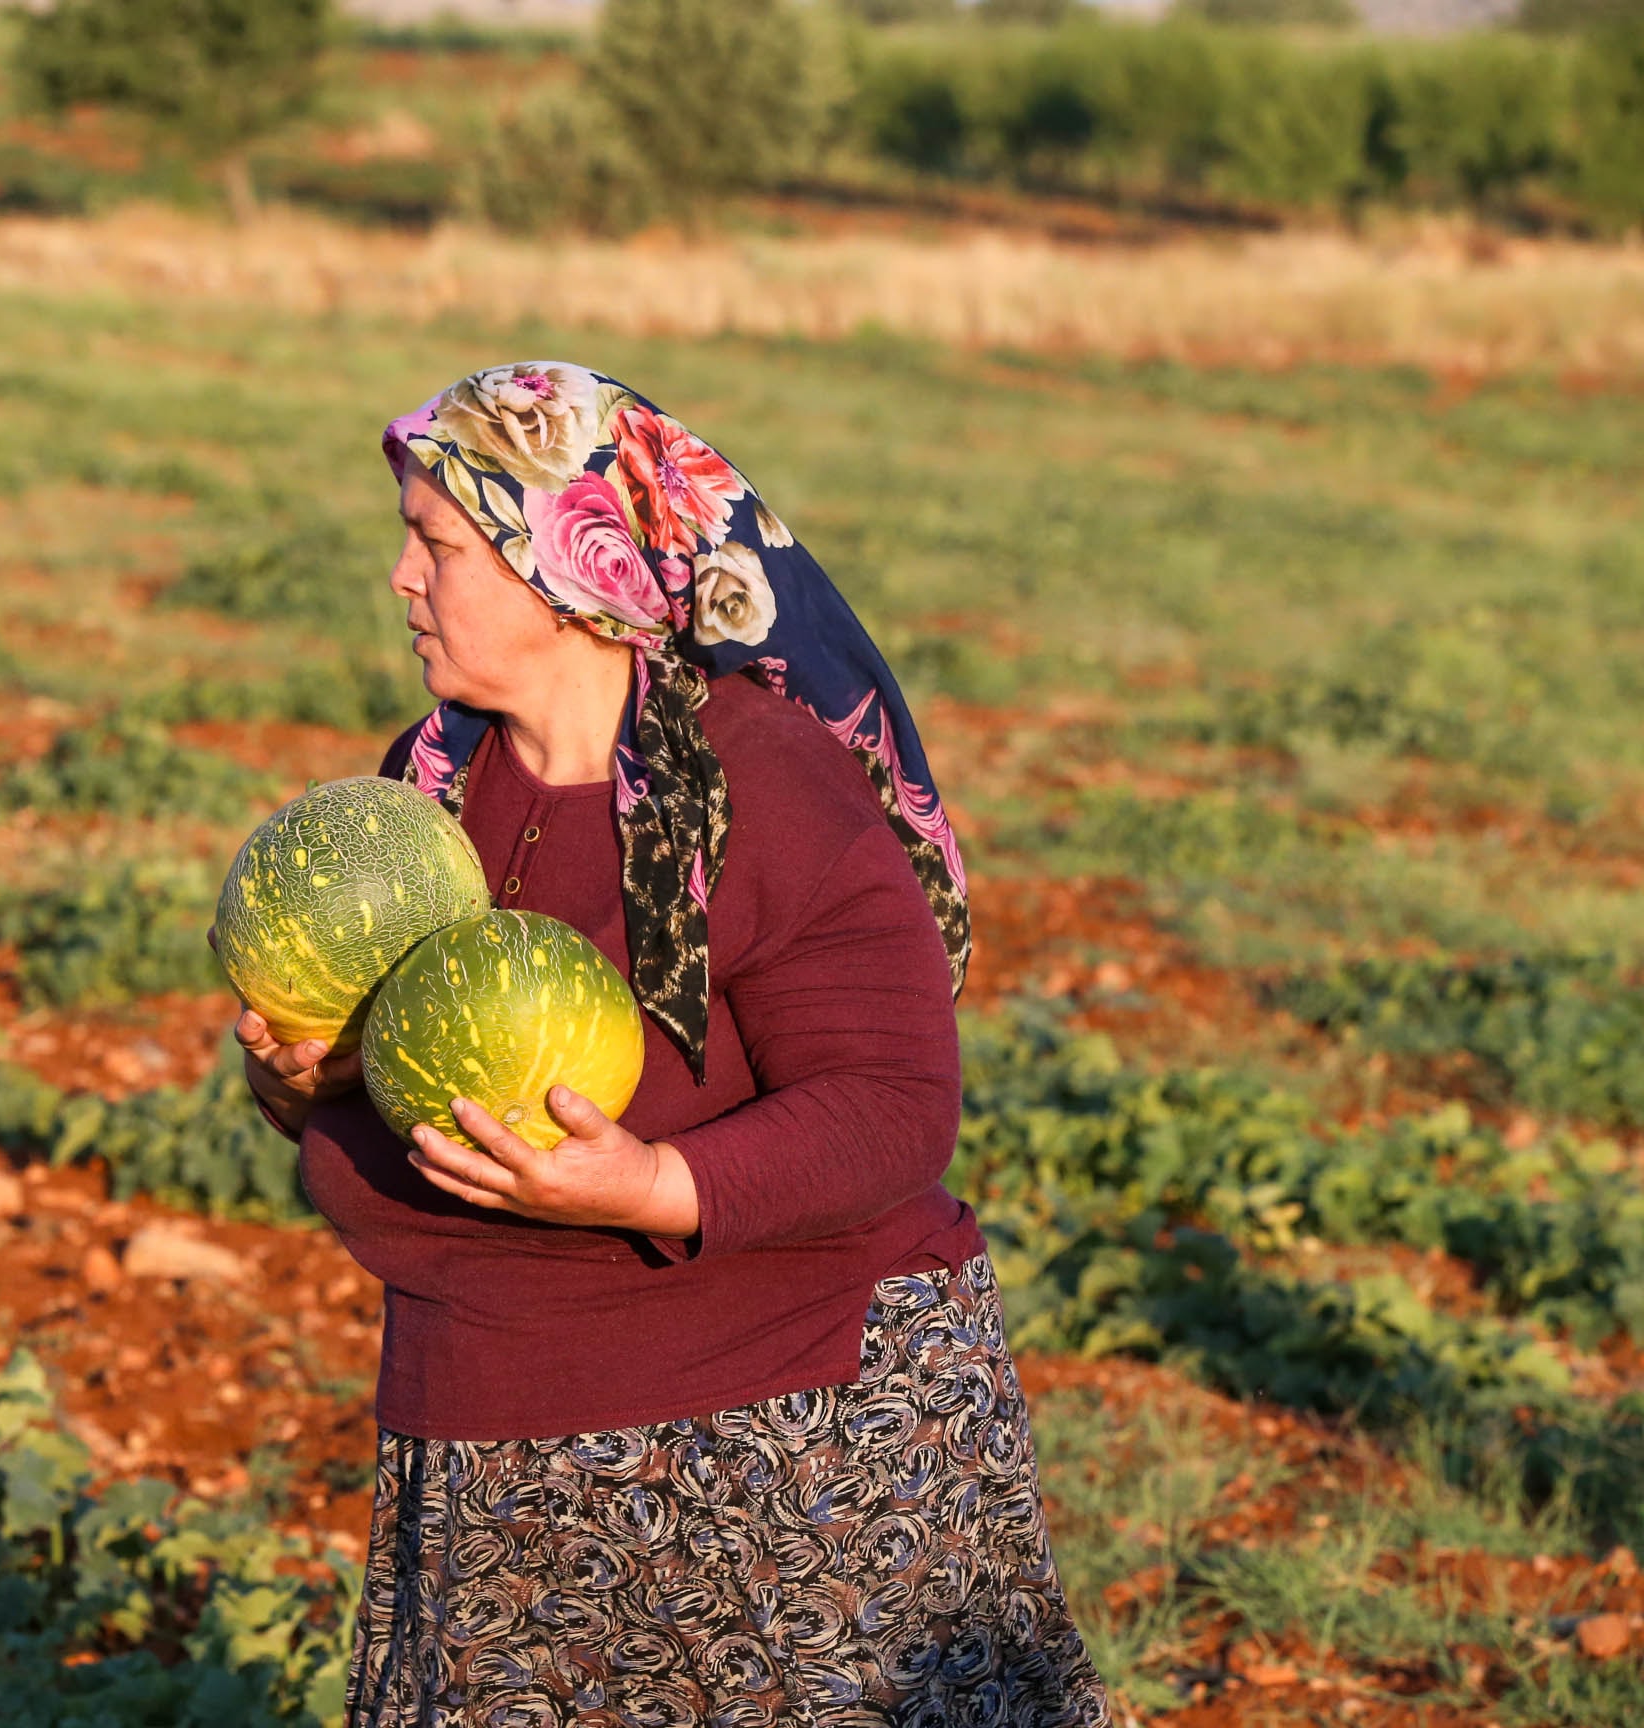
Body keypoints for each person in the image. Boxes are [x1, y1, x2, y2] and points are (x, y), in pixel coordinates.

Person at [231, 362, 1109, 1727]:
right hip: (495, 1433)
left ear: (562, 570)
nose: (402, 578)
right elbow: (391, 1082)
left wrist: (650, 1187)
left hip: (786, 1439)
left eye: (437, 545)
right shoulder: (422, 797)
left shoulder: (763, 782)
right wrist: (299, 1079)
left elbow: (892, 1104)